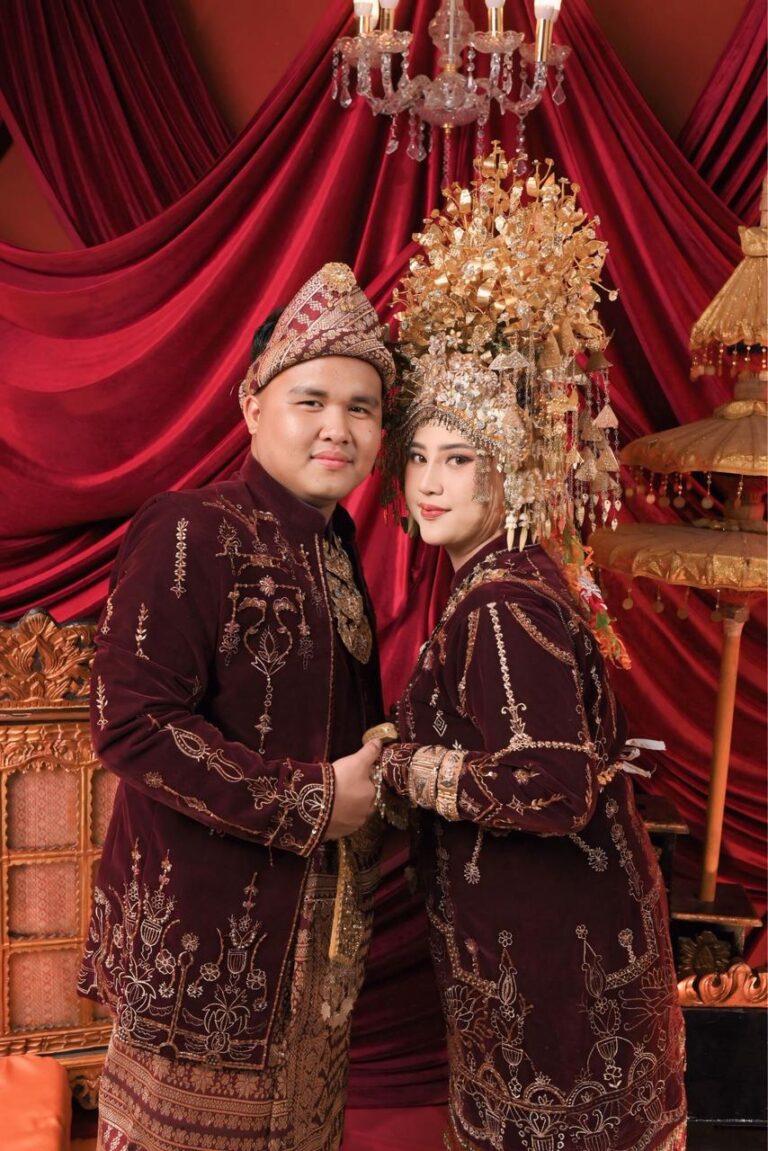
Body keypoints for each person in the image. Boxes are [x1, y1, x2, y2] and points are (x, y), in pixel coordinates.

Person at [376, 149, 687, 1150]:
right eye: (418, 455)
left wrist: (405, 768)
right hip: (559, 944)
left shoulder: (503, 602)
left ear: (507, 469)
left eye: (459, 458)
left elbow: (553, 787)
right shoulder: (515, 577)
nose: (430, 481)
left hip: (554, 961)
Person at [78, 263, 395, 1151]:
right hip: (204, 937)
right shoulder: (191, 528)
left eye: (362, 408)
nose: (337, 427)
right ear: (253, 405)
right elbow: (132, 723)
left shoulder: (335, 546)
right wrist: (315, 798)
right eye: (311, 400)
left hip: (317, 944)